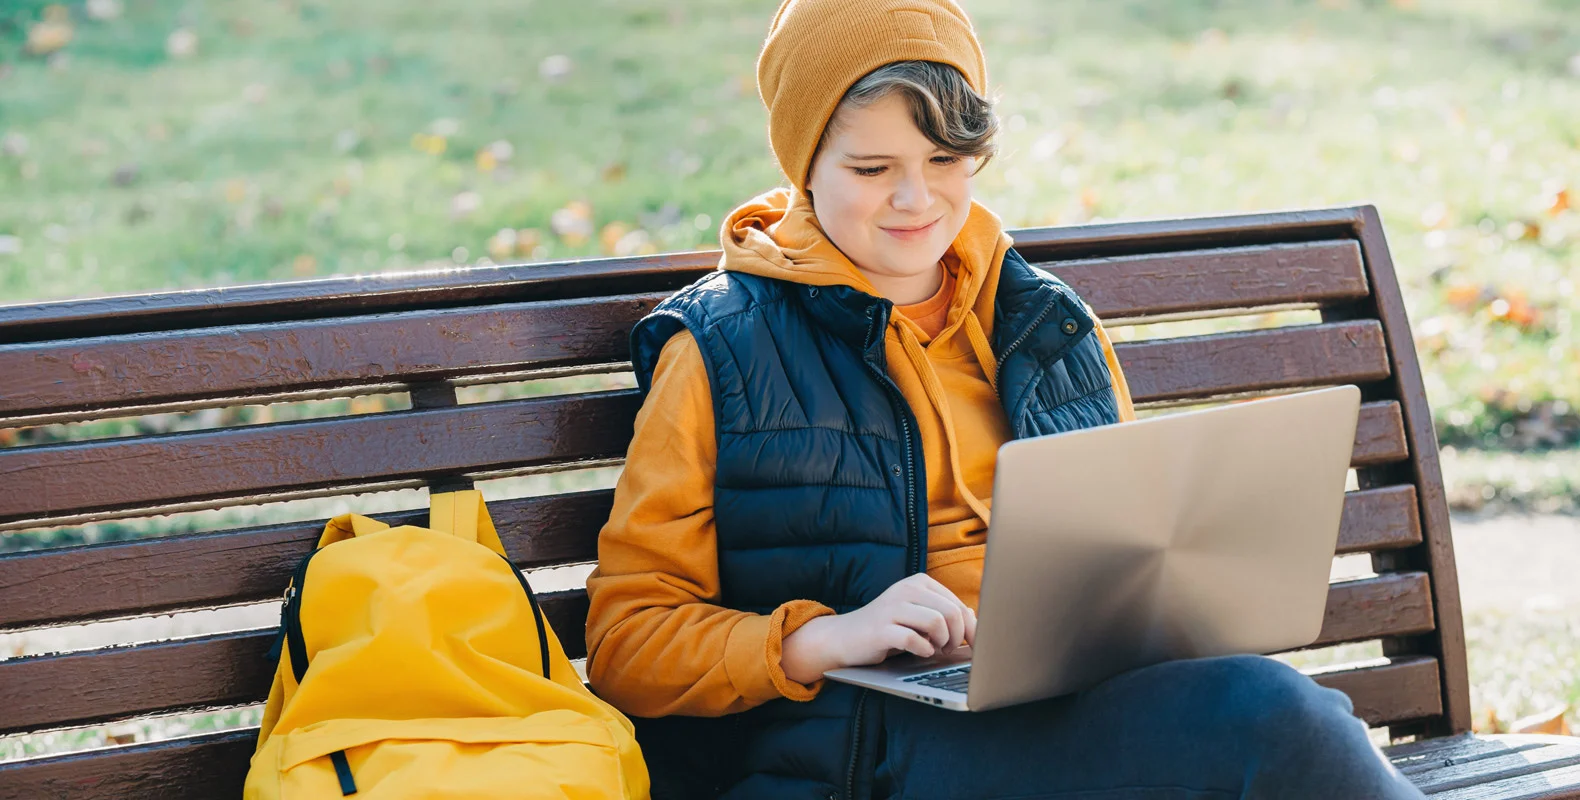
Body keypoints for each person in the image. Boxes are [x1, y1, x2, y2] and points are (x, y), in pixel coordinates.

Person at [584, 1, 1427, 797]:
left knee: (1279, 712)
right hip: (863, 749)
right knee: (1273, 722)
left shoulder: (1045, 322)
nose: (917, 200)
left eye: (944, 162)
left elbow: (1137, 543)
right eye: (873, 168)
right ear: (804, 165)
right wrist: (821, 639)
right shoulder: (723, 350)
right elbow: (627, 646)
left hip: (1060, 701)